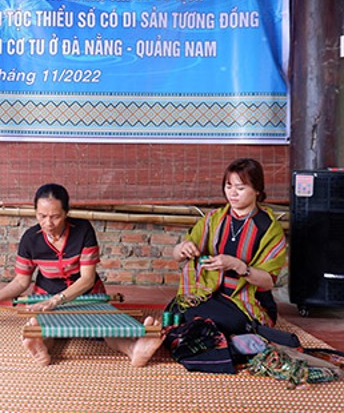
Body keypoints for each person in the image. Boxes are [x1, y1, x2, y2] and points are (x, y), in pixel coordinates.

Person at [110, 157, 288, 369]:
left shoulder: (268, 227)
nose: (232, 193)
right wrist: (182, 249)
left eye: (240, 188)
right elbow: (177, 254)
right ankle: (211, 343)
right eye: (228, 186)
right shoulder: (215, 219)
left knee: (196, 318)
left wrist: (237, 265)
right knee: (176, 311)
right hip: (206, 294)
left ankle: (175, 342)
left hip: (244, 303)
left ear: (257, 190)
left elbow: (268, 282)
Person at [0, 183, 109, 365]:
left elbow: (88, 279)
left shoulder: (83, 230)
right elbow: (20, 281)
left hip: (86, 295)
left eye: (55, 217)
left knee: (108, 328)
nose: (48, 223)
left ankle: (134, 349)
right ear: (35, 212)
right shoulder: (30, 238)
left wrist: (56, 300)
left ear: (66, 213)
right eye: (42, 216)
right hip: (46, 296)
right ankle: (39, 347)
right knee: (44, 327)